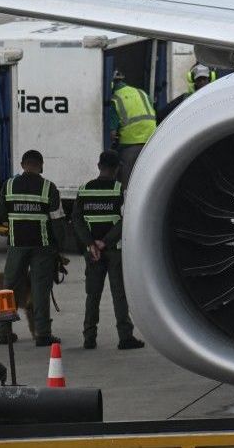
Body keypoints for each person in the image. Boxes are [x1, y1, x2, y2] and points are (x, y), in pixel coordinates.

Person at [72, 150, 144, 350]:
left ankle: (89, 337)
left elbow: (76, 220)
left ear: (99, 166)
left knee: (92, 295)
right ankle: (125, 337)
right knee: (119, 294)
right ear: (117, 169)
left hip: (92, 252)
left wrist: (90, 244)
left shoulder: (84, 190)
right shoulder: (120, 190)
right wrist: (105, 242)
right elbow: (125, 220)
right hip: (114, 251)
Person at [0, 149, 62, 346]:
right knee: (40, 290)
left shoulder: (8, 185)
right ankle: (42, 334)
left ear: (23, 165)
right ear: (41, 166)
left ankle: (4, 332)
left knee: (8, 288)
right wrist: (58, 247)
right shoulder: (49, 188)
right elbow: (57, 222)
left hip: (17, 245)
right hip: (42, 247)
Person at [110, 69, 157, 185]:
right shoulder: (141, 92)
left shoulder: (115, 98)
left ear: (111, 83)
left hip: (130, 144)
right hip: (151, 141)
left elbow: (112, 134)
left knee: (128, 183)